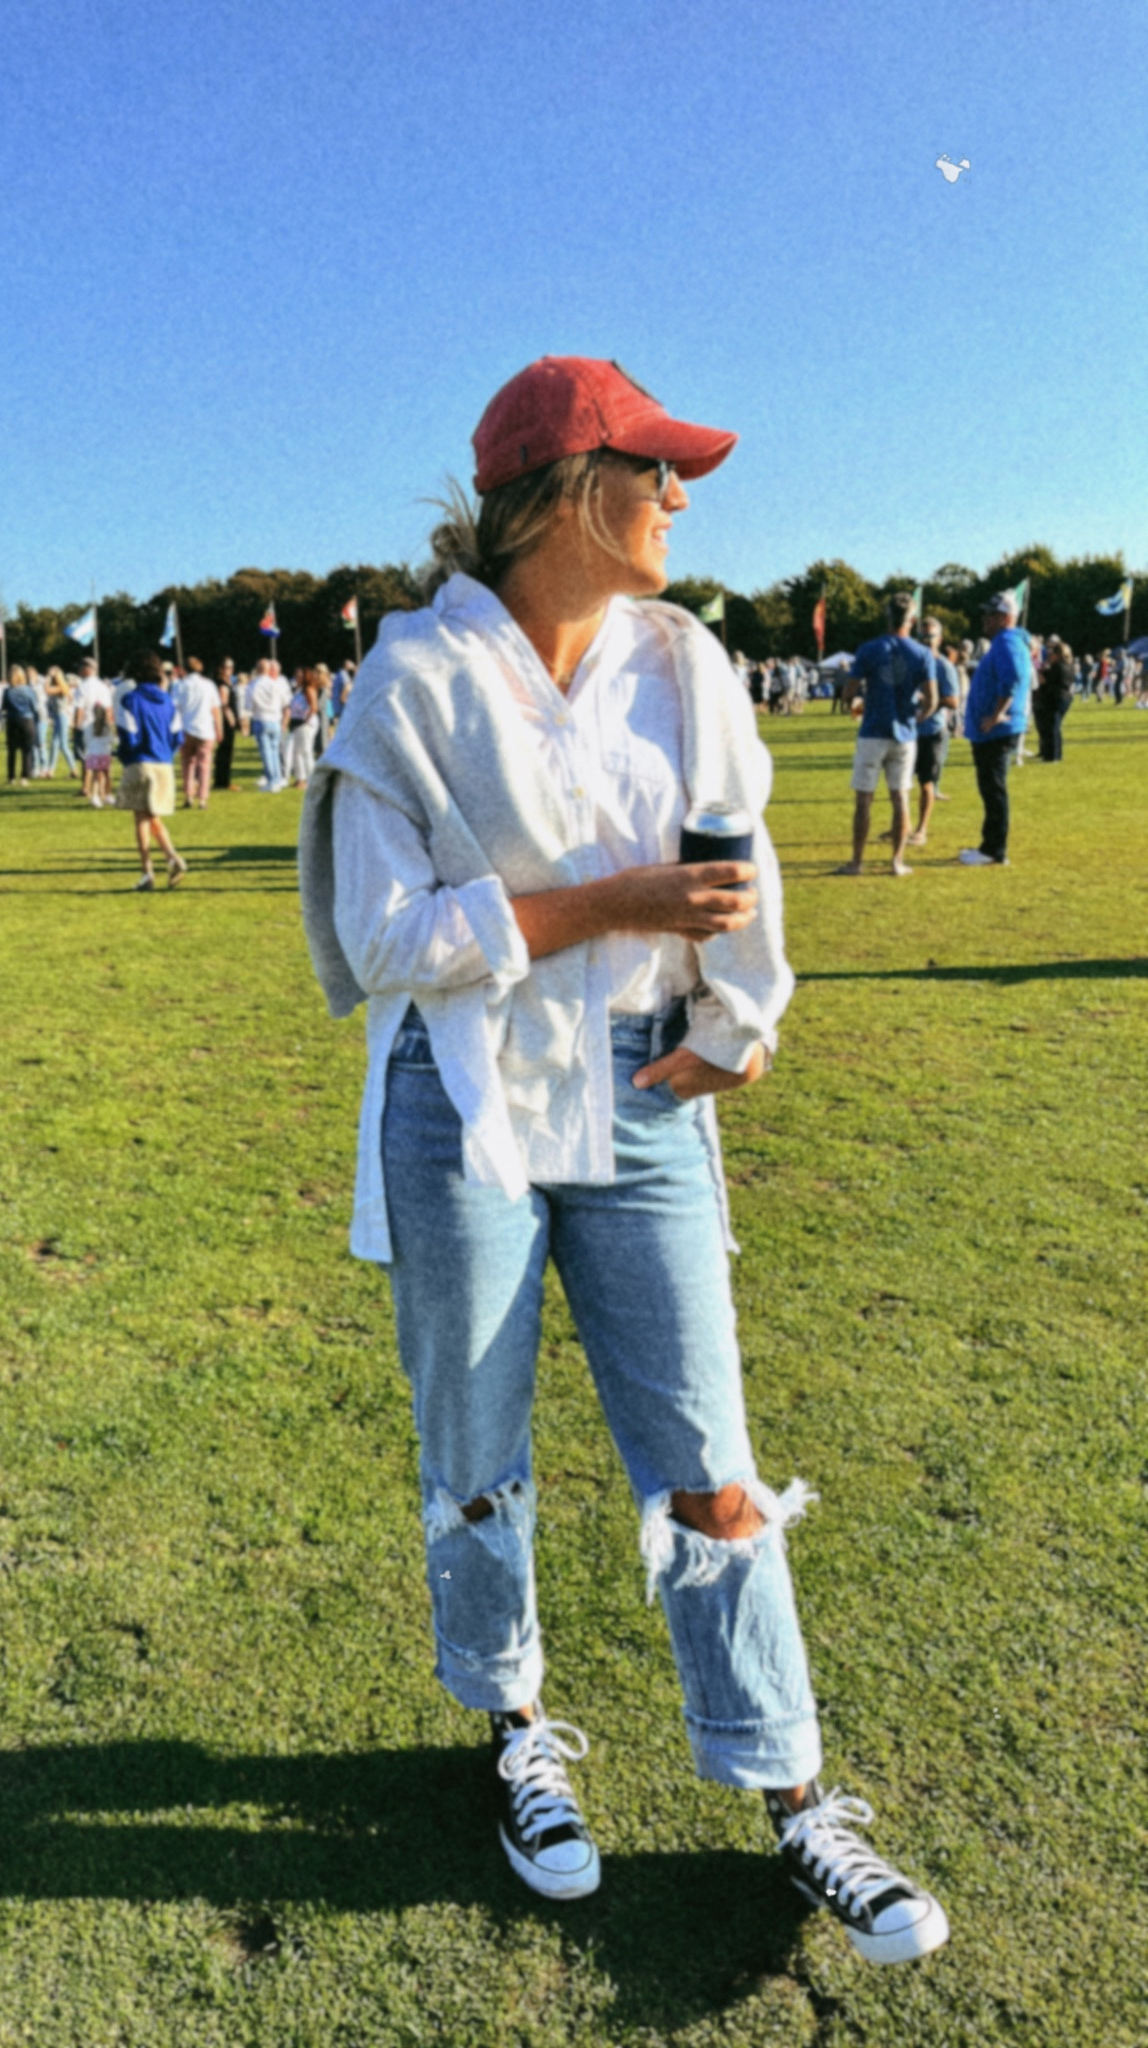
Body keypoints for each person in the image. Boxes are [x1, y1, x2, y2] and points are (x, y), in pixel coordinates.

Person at [299, 355, 948, 1966]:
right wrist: (609, 908)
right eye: (652, 470)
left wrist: (741, 1018)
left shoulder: (689, 660)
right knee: (477, 1445)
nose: (680, 498)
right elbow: (377, 938)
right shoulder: (409, 683)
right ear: (562, 490)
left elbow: (738, 867)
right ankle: (514, 1724)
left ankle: (794, 1794)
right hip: (463, 1095)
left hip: (648, 1089)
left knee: (708, 1453)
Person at [835, 594, 937, 877]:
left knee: (864, 800)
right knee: (900, 797)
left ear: (887, 616)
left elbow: (849, 690)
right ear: (912, 620)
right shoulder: (922, 653)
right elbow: (932, 700)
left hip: (872, 731)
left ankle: (856, 862)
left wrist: (852, 705)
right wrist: (917, 718)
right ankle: (897, 861)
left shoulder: (869, 649)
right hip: (904, 734)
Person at [960, 591, 1032, 867]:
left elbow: (1011, 679)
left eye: (990, 614)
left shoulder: (1007, 642)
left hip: (997, 729)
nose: (984, 619)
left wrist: (996, 715)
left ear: (1003, 617)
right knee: (991, 788)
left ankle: (993, 849)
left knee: (994, 789)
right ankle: (989, 845)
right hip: (995, 728)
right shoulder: (1005, 642)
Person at [115, 650, 187, 891]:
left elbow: (129, 735)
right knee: (152, 816)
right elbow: (178, 736)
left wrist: (125, 756)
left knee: (141, 819)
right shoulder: (168, 700)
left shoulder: (130, 699)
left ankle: (148, 871)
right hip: (164, 764)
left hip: (140, 762)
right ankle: (171, 858)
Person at [903, 618, 961, 845]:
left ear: (940, 639)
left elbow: (954, 700)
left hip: (931, 731)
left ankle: (921, 830)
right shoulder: (911, 662)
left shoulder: (943, 666)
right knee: (901, 783)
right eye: (921, 637)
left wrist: (928, 701)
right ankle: (901, 826)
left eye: (930, 637)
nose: (925, 642)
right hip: (908, 730)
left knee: (926, 783)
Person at [175, 656, 222, 809]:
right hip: (205, 729)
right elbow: (215, 709)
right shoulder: (208, 685)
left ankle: (189, 796)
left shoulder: (180, 685)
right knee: (205, 765)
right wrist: (219, 728)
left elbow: (174, 708)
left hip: (186, 728)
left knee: (187, 764)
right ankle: (202, 799)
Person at [246, 658, 291, 790]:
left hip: (261, 718)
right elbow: (285, 702)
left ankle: (272, 781)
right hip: (275, 720)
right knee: (274, 752)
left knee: (266, 753)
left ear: (257, 669)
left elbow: (248, 706)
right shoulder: (276, 684)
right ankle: (277, 778)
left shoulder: (253, 685)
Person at [1032, 636, 1075, 762]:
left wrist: (1044, 680)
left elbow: (1053, 683)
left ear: (1058, 654)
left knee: (1052, 728)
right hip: (1063, 698)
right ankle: (1055, 754)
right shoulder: (1068, 665)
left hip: (1056, 698)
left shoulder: (1058, 667)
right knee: (1054, 727)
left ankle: (1052, 756)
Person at [3, 665, 40, 786]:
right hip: (27, 720)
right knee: (27, 750)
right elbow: (35, 706)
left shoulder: (8, 691)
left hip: (13, 720)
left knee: (11, 750)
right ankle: (24, 776)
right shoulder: (29, 690)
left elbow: (4, 707)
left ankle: (11, 777)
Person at [211, 658, 240, 791]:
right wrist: (231, 718)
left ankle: (221, 780)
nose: (231, 670)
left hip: (226, 720)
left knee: (225, 751)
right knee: (225, 751)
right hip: (226, 721)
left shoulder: (226, 682)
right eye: (228, 667)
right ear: (221, 669)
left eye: (232, 667)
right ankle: (223, 781)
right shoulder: (222, 684)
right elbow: (224, 703)